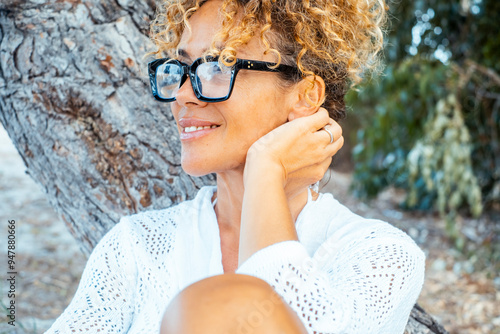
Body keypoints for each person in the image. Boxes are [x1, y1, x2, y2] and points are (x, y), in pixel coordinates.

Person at [46, 0, 425, 333]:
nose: (181, 94)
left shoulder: (380, 257)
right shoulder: (136, 245)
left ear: (306, 95)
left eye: (218, 67)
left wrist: (265, 173)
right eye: (180, 68)